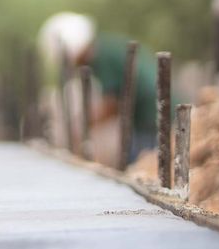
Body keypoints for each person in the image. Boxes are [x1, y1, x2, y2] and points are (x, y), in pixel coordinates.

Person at [37, 11, 152, 160]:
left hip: (150, 123)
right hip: (145, 120)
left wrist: (81, 128)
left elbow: (112, 104)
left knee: (139, 163)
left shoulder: (101, 57)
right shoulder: (106, 49)